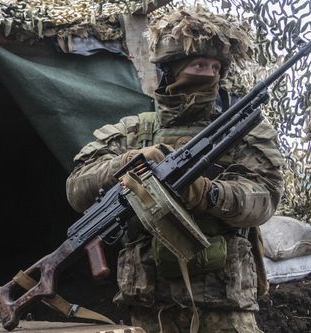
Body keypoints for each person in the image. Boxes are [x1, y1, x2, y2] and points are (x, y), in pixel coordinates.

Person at [66, 5, 284, 333]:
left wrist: (209, 193)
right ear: (170, 69)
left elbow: (265, 197)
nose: (209, 74)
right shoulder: (132, 132)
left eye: (215, 66)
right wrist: (127, 163)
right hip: (150, 306)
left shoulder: (245, 130)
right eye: (198, 64)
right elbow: (76, 188)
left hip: (224, 306)